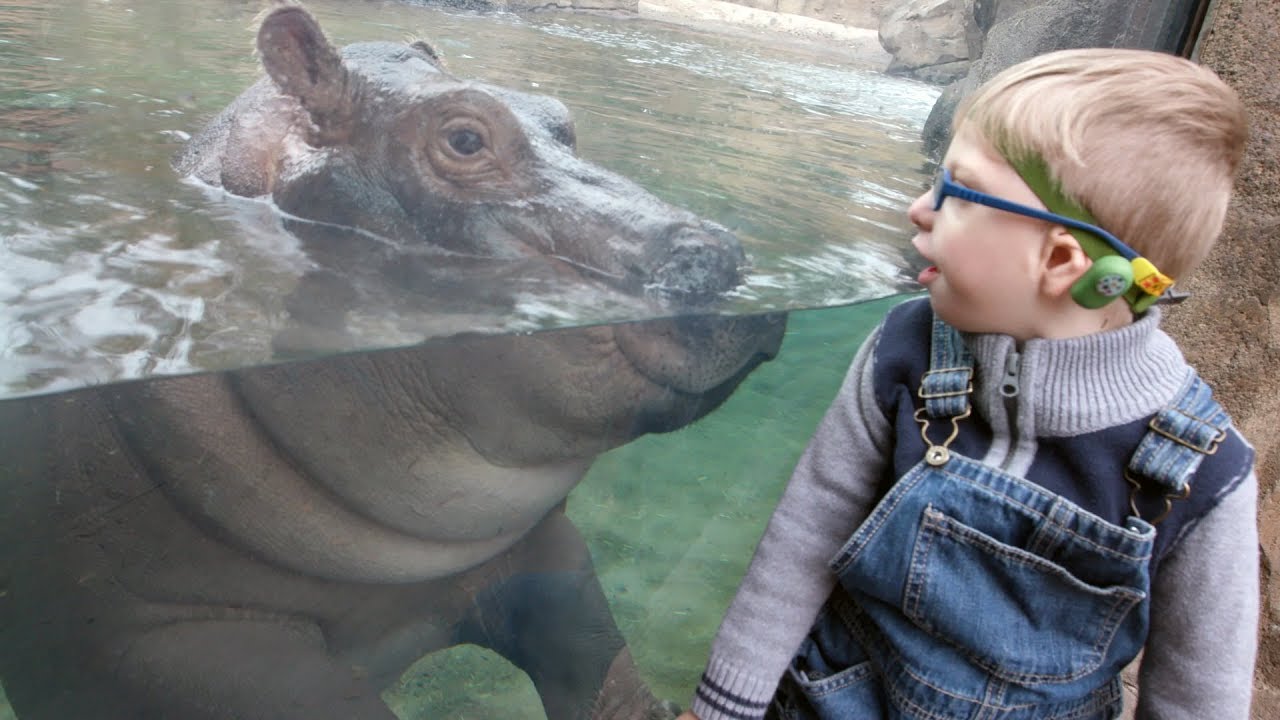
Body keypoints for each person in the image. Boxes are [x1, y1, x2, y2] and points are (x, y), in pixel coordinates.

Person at [678, 48, 1257, 720]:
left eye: (956, 190)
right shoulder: (905, 351)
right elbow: (801, 542)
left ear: (1062, 260)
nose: (918, 207)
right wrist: (723, 708)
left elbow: (1198, 696)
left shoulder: (1202, 475)